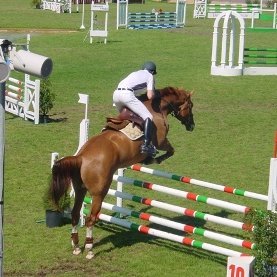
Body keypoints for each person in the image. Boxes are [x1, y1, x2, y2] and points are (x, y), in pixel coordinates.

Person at [113, 61, 158, 157]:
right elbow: (150, 96)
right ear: (153, 72)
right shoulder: (150, 76)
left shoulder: (135, 73)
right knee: (148, 116)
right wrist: (154, 93)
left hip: (116, 94)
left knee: (126, 116)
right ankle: (146, 145)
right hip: (127, 95)